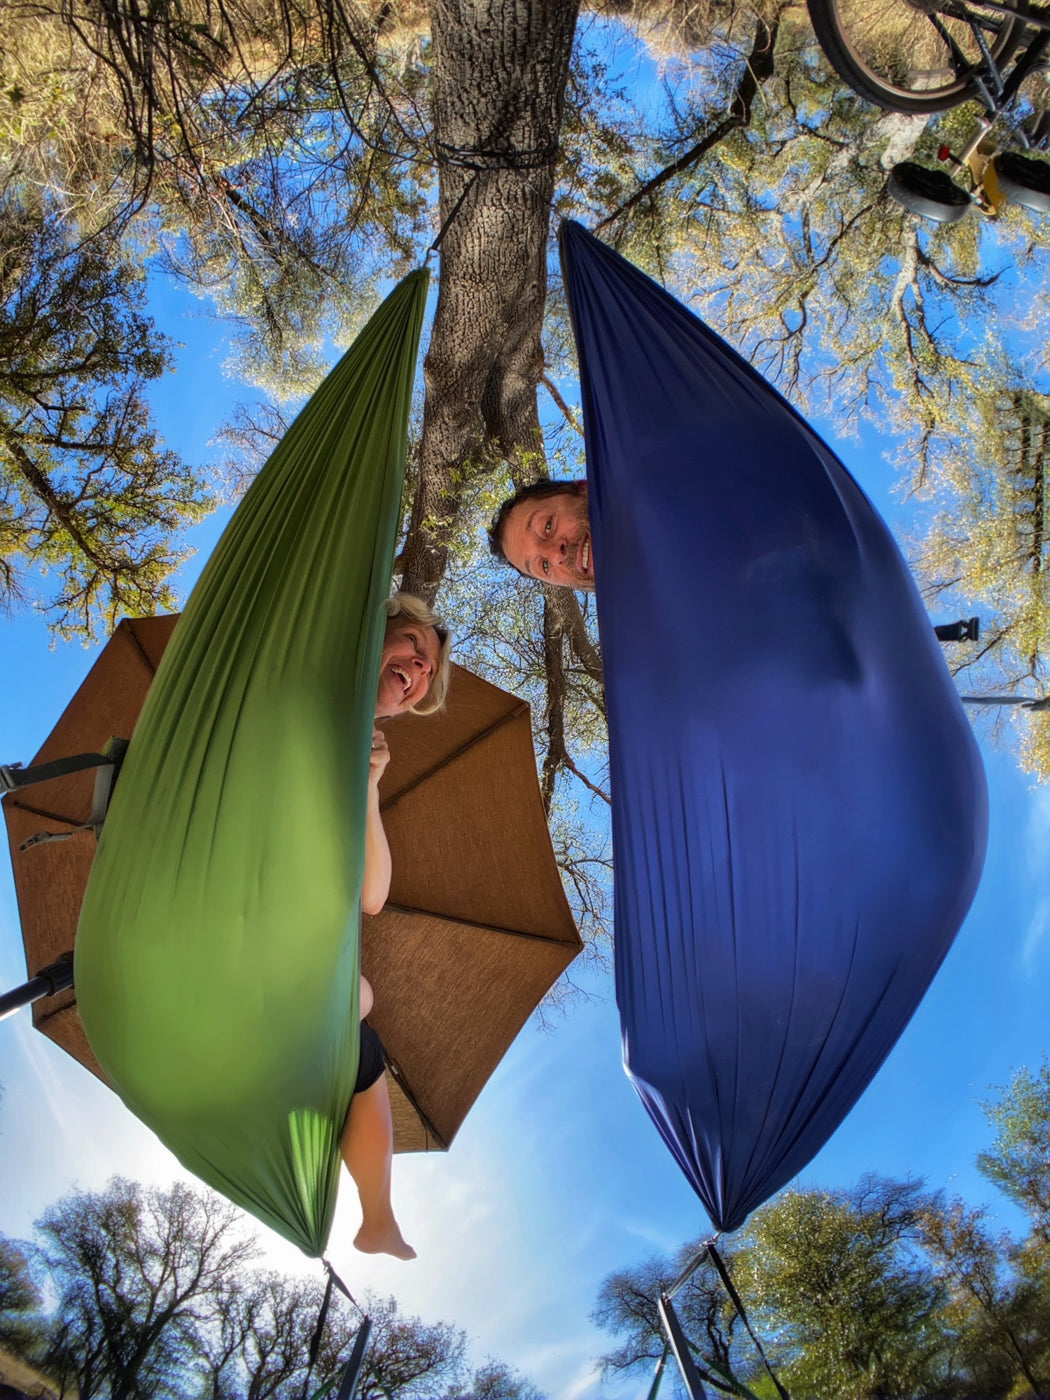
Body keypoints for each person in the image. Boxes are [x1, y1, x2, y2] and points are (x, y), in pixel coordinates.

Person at [488, 480, 979, 641]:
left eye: (548, 527)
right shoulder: (652, 641)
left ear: (581, 489)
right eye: (543, 568)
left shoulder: (683, 480)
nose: (557, 554)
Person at [341, 591, 451, 1261]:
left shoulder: (364, 753)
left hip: (292, 983)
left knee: (362, 1031)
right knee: (357, 1001)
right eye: (413, 643)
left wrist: (371, 786)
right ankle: (376, 1215)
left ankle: (376, 1216)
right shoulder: (312, 687)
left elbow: (372, 895)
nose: (421, 667)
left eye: (428, 672)